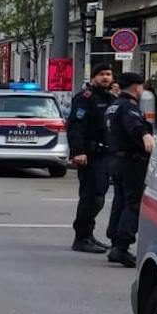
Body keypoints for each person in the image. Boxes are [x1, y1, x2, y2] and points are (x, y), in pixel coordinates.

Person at [104, 71, 156, 267]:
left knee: (120, 200)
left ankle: (115, 241)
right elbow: (135, 126)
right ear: (136, 87)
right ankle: (122, 246)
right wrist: (146, 136)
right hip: (131, 162)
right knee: (132, 203)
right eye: (141, 86)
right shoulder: (128, 107)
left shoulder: (113, 106)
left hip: (116, 160)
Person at [66, 62, 117, 253]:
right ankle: (81, 237)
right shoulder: (85, 98)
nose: (106, 77)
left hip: (105, 155)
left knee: (99, 196)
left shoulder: (110, 98)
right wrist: (78, 151)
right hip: (90, 155)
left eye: (109, 74)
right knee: (90, 197)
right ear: (94, 77)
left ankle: (89, 235)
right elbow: (76, 126)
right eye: (102, 74)